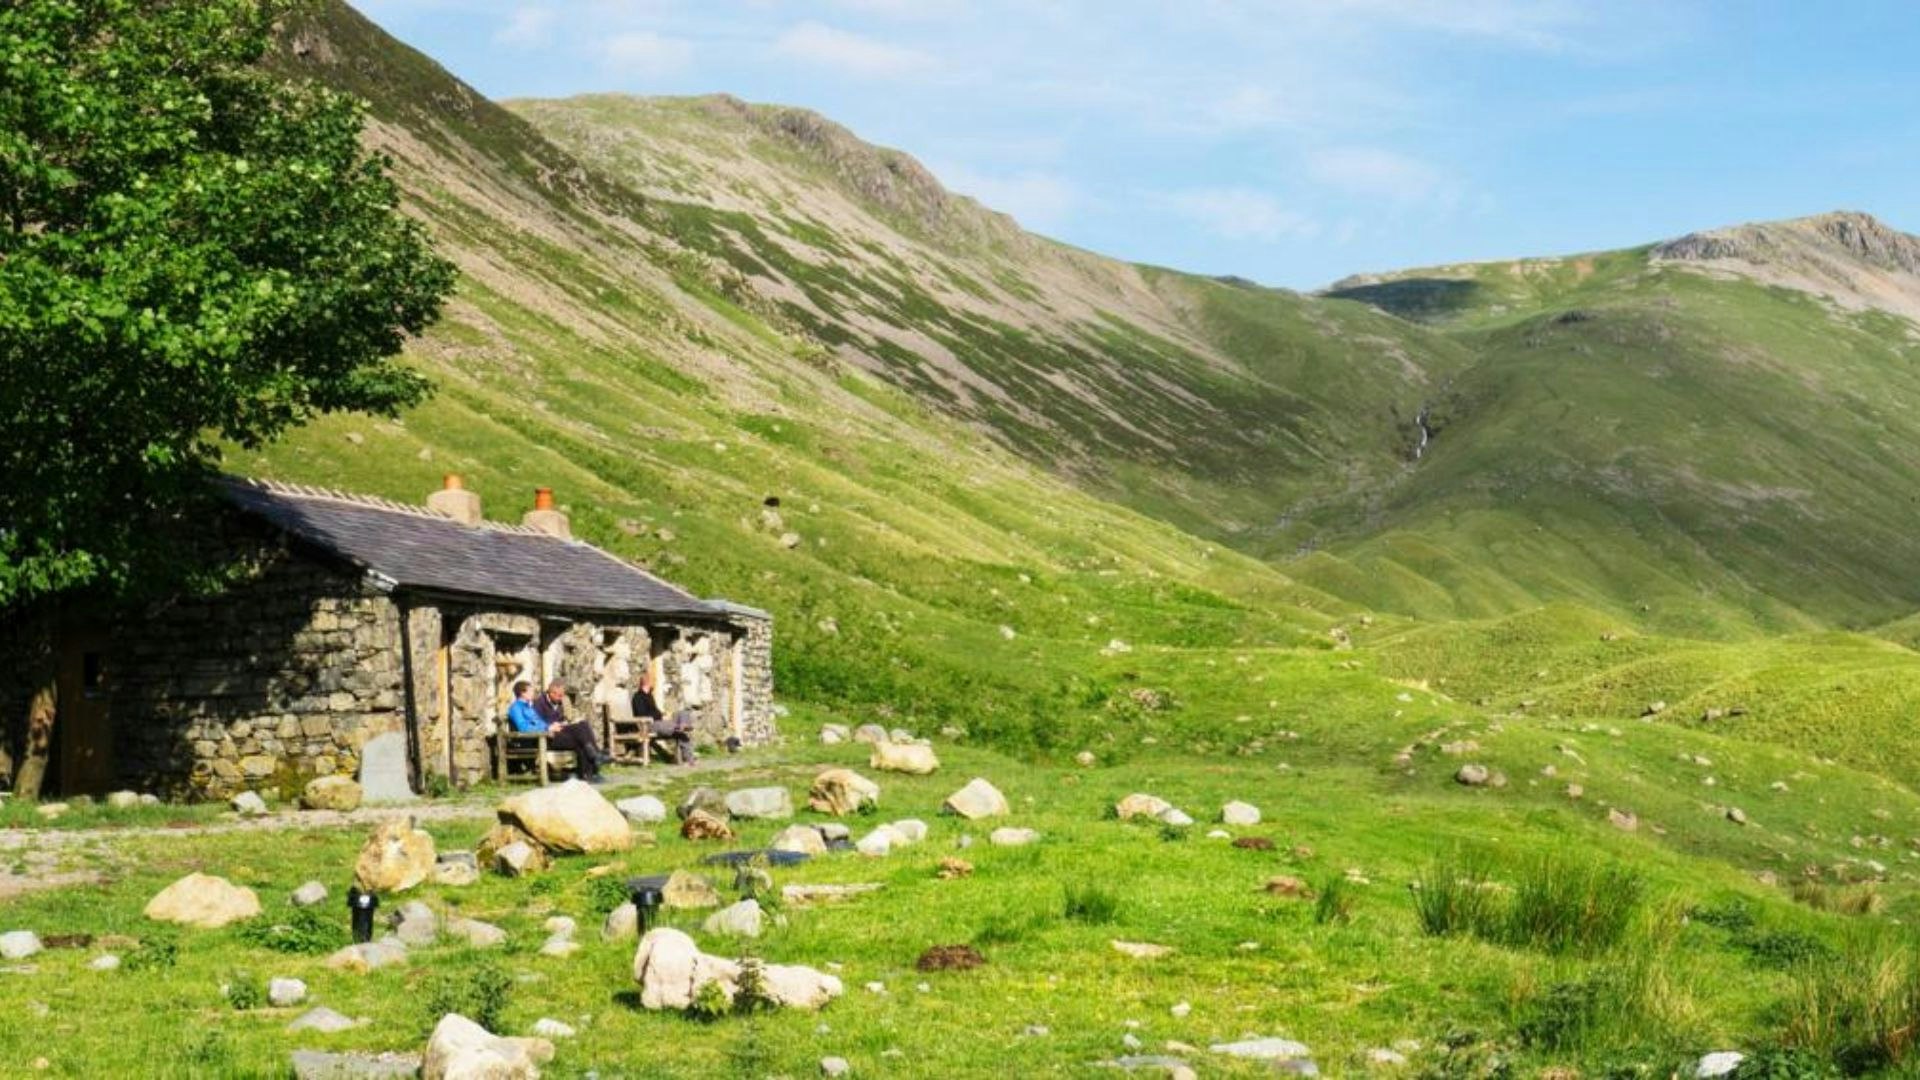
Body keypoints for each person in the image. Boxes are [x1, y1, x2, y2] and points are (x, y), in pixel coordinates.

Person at [526, 678, 609, 781]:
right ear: (551, 693)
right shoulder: (539, 704)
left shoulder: (560, 703)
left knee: (582, 725)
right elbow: (536, 722)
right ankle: (593, 765)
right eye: (559, 695)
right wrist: (550, 726)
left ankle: (590, 768)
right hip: (549, 737)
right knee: (580, 738)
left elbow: (564, 718)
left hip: (561, 732)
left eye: (562, 695)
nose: (561, 698)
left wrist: (565, 722)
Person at [632, 668, 696, 766]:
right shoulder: (638, 697)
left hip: (660, 722)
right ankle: (689, 758)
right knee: (681, 733)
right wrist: (660, 715)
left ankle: (682, 726)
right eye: (653, 680)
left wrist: (664, 714)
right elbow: (641, 714)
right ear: (647, 682)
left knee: (682, 713)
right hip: (650, 725)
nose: (654, 682)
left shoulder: (650, 696)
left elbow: (656, 712)